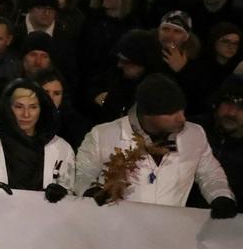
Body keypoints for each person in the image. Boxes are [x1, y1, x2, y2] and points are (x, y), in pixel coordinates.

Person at [76, 74, 237, 217]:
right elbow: (82, 174)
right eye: (171, 113)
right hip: (117, 231)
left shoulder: (194, 134)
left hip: (169, 236)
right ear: (147, 114)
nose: (181, 118)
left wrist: (221, 196)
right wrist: (92, 192)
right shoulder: (103, 135)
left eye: (181, 110)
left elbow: (210, 173)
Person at [0, 79, 75, 197]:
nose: (26, 114)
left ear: (41, 109)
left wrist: (63, 194)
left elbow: (70, 190)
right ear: (7, 108)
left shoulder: (62, 148)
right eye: (19, 107)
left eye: (33, 107)